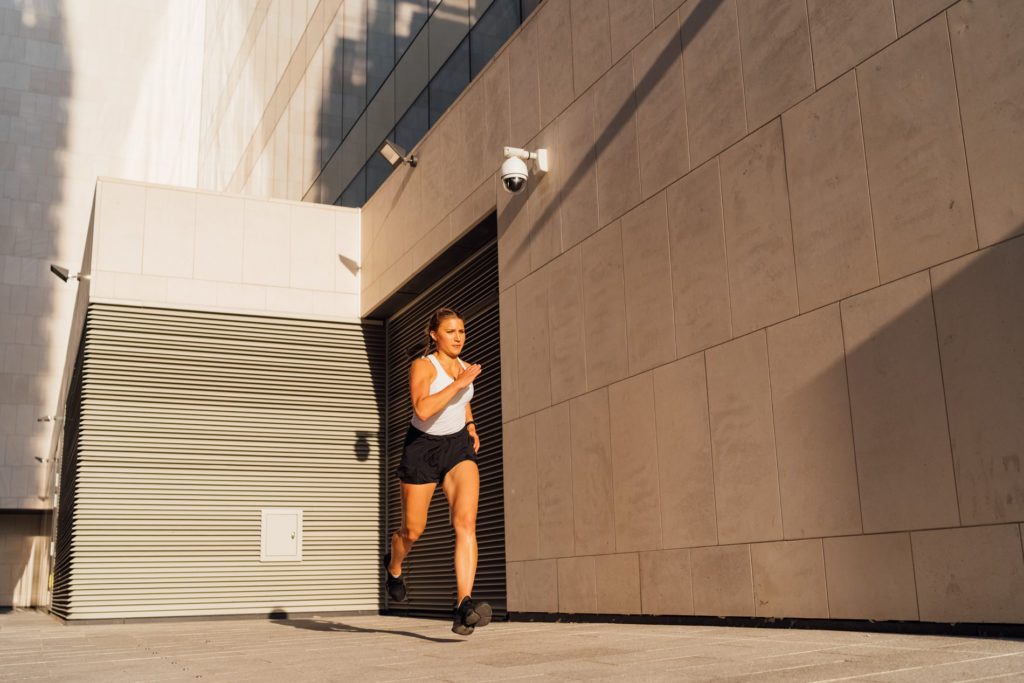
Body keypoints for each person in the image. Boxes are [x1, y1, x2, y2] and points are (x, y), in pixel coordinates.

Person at [383, 307, 491, 636]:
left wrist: (470, 425)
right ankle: (394, 565)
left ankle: (463, 606)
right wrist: (460, 382)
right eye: (451, 331)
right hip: (422, 448)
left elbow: (463, 399)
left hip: (458, 446)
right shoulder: (423, 366)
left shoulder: (463, 367)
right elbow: (423, 408)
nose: (459, 336)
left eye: (462, 330)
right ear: (435, 335)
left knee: (466, 523)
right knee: (412, 531)